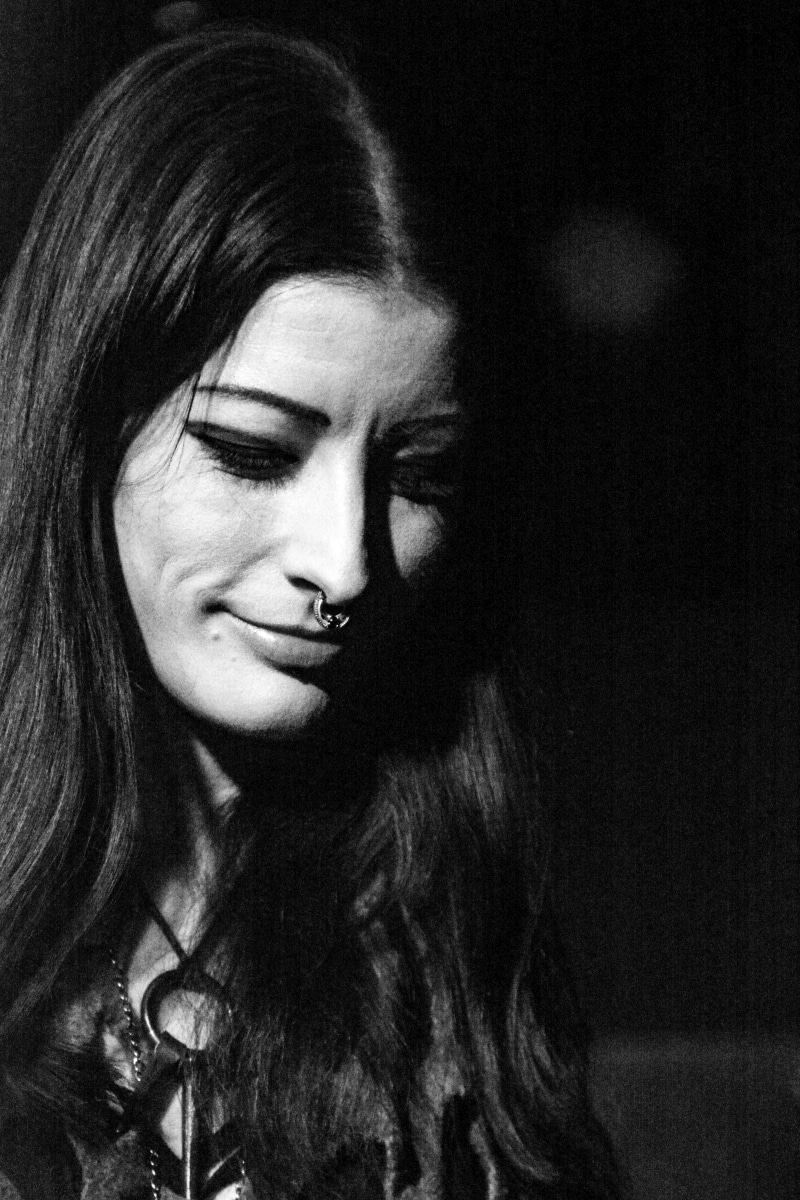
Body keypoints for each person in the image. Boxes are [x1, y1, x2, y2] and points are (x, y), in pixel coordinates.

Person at [0, 25, 623, 1200]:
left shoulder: (440, 900)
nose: (343, 565)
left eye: (417, 476)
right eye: (250, 451)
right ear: (83, 429)